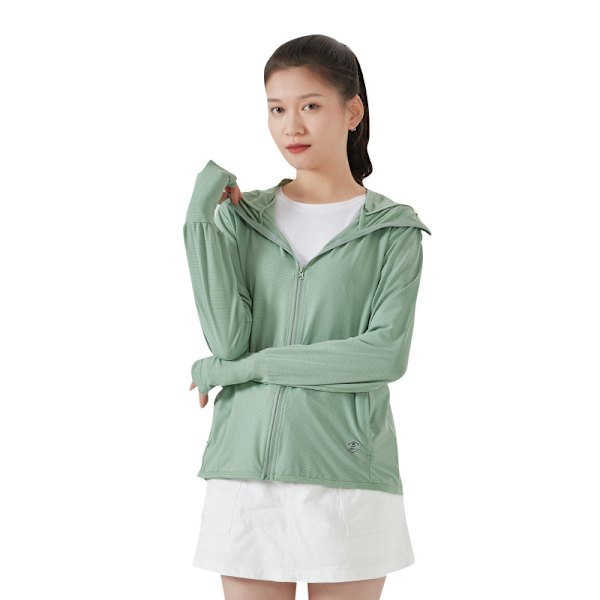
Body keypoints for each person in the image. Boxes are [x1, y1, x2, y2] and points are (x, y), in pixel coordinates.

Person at [183, 33, 431, 600]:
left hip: (347, 474)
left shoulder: (392, 230)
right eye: (277, 109)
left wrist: (244, 370)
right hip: (245, 471)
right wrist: (199, 220)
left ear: (352, 112)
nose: (291, 126)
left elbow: (382, 356)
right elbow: (228, 341)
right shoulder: (243, 219)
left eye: (310, 106)